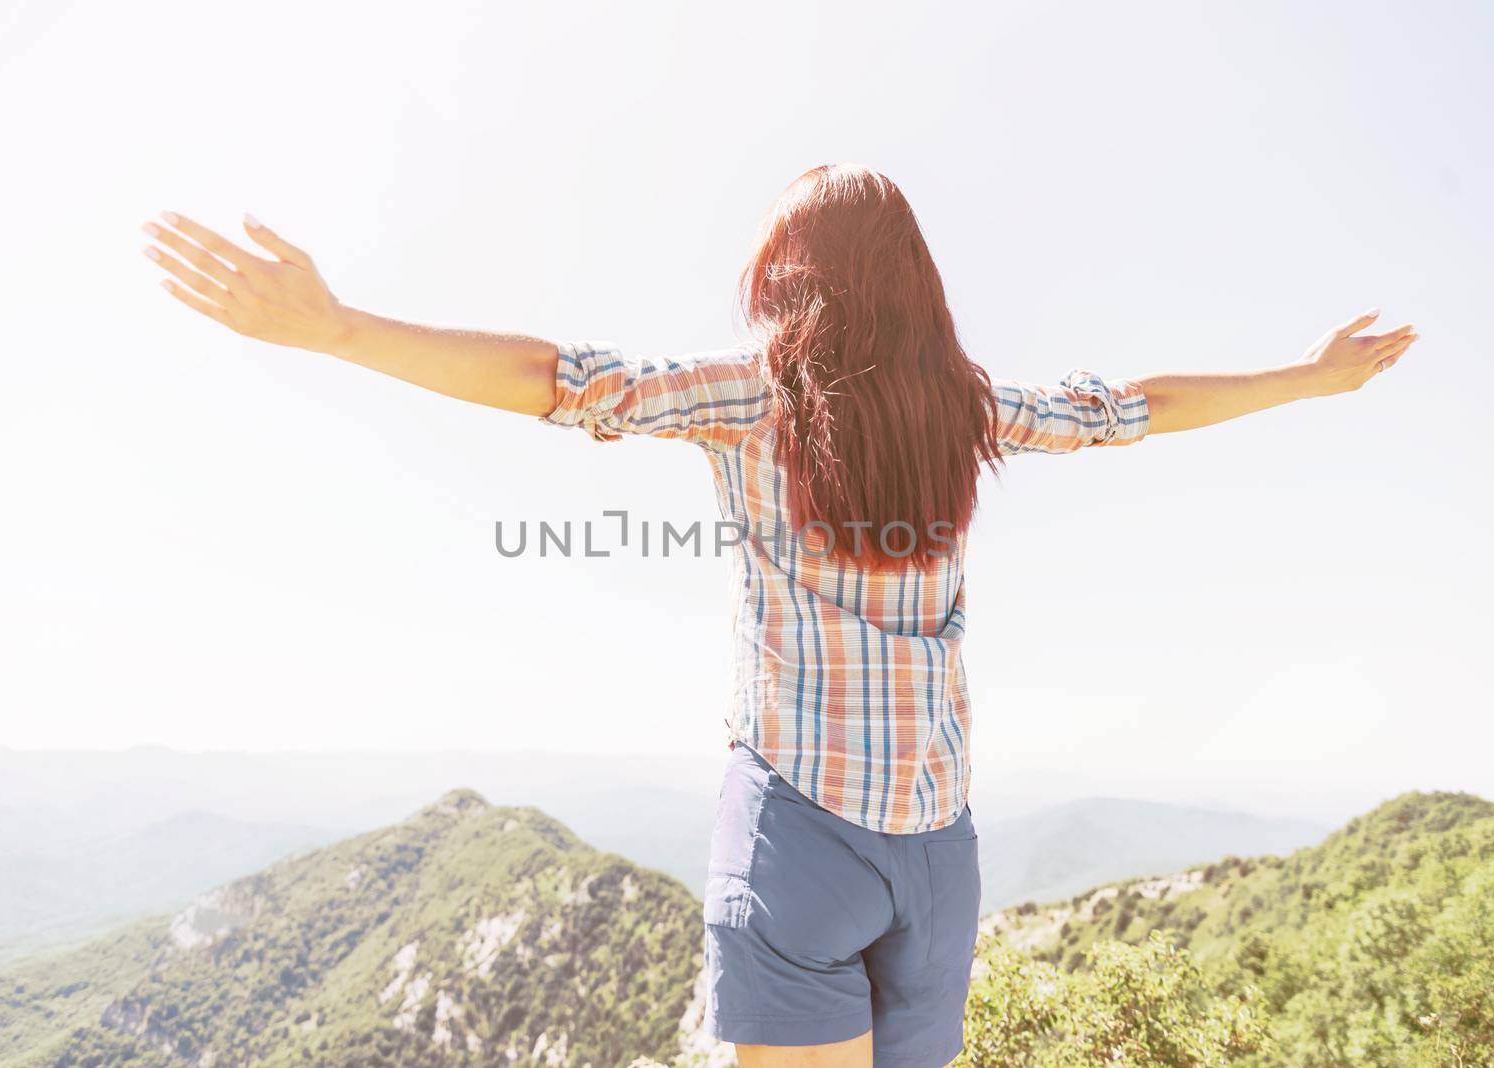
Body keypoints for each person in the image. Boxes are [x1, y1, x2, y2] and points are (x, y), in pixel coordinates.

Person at [140, 163, 1416, 1068]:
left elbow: (561, 382)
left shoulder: (753, 397)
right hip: (940, 848)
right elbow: (1136, 406)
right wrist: (1307, 382)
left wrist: (341, 329)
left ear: (788, 276)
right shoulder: (968, 408)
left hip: (801, 836)